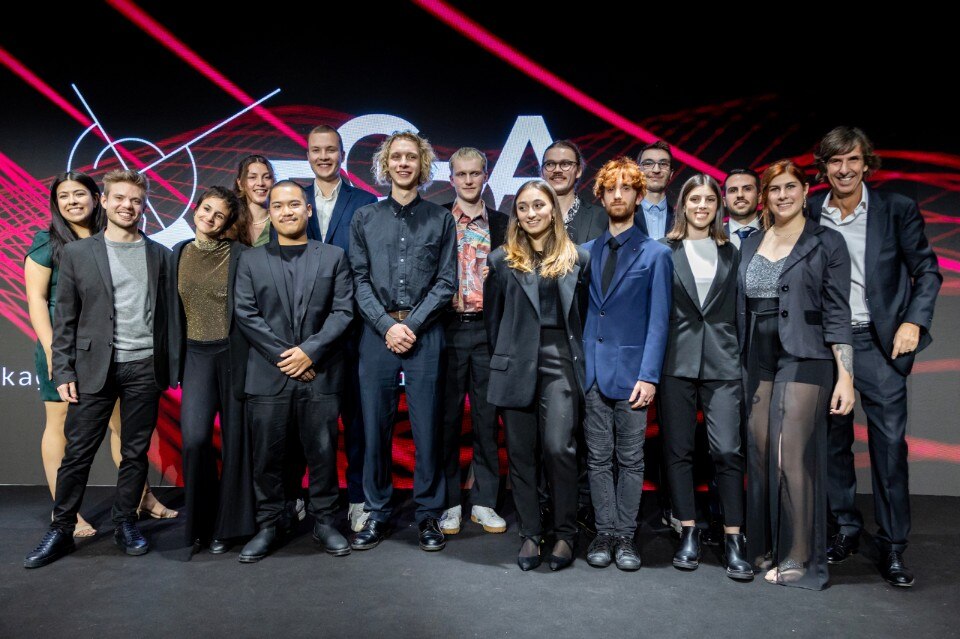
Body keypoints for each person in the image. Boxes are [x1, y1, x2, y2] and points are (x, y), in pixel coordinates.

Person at [810, 127, 942, 587]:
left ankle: (893, 545)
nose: (844, 169)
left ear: (867, 163)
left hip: (878, 344)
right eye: (835, 161)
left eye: (853, 159)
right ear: (824, 167)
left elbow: (927, 270)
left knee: (888, 449)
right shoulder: (810, 210)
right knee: (832, 445)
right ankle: (845, 527)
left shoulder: (896, 208)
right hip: (827, 345)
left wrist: (913, 322)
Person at [24, 169, 174, 568]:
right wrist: (64, 369)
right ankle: (61, 528)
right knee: (78, 453)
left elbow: (170, 318)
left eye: (136, 200)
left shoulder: (161, 254)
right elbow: (65, 319)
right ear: (104, 202)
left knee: (135, 452)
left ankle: (126, 522)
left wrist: (170, 366)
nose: (128, 205)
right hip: (94, 367)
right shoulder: (78, 253)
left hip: (144, 367)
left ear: (144, 206)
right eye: (119, 198)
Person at [738, 159, 855, 589]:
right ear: (764, 197)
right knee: (760, 453)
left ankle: (800, 554)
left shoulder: (827, 241)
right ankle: (765, 546)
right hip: (758, 356)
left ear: (806, 191)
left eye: (790, 187)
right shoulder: (751, 241)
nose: (782, 195)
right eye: (774, 189)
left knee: (789, 457)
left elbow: (838, 312)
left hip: (805, 355)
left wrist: (846, 376)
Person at [233, 180, 354, 562]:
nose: (287, 211)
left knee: (323, 455)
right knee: (267, 459)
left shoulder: (333, 256)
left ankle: (325, 522)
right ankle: (270, 524)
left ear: (308, 210)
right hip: (268, 376)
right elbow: (246, 314)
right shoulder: (250, 260)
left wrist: (309, 353)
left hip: (320, 373)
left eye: (294, 204)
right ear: (269, 213)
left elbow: (343, 311)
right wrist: (287, 357)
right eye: (279, 206)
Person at [349, 131, 456, 553]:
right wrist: (386, 325)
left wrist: (410, 325)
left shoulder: (441, 219)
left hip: (425, 333)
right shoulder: (365, 218)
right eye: (396, 157)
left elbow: (446, 281)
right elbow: (357, 280)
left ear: (422, 164)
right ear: (385, 164)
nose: (404, 163)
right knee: (374, 428)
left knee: (427, 429)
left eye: (411, 157)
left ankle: (428, 513)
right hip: (376, 334)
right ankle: (377, 511)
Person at [484, 179, 591, 571]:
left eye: (539, 205)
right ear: (517, 214)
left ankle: (565, 533)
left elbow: (583, 318)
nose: (531, 213)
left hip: (560, 361)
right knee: (520, 452)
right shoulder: (501, 260)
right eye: (523, 207)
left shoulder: (578, 259)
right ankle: (530, 532)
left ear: (553, 210)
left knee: (559, 447)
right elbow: (493, 320)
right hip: (515, 362)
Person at [658, 173, 752, 581]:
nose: (701, 206)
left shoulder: (734, 250)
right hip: (675, 361)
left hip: (723, 361)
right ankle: (688, 530)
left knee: (728, 450)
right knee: (678, 451)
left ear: (719, 206)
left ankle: (734, 537)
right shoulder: (664, 250)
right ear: (683, 204)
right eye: (694, 199)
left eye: (709, 200)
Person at [581, 158, 671, 572]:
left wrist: (649, 376)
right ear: (600, 197)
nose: (618, 195)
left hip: (635, 375)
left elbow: (659, 321)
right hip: (592, 374)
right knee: (598, 458)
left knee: (632, 460)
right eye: (610, 188)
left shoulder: (657, 254)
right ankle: (604, 532)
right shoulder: (585, 253)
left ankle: (625, 535)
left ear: (638, 195)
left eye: (626, 188)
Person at [169, 186, 255, 555]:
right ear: (196, 209)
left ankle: (229, 529)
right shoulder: (178, 252)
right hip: (196, 356)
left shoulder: (241, 255)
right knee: (195, 439)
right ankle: (200, 526)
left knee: (237, 445)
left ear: (227, 223)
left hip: (235, 356)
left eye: (219, 215)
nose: (210, 218)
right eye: (206, 209)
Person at [303, 124, 378, 532]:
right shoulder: (293, 200)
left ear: (342, 154)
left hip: (355, 328)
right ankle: (310, 499)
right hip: (306, 331)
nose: (324, 156)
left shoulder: (364, 201)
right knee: (312, 425)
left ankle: (359, 498)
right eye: (317, 150)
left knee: (358, 421)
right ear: (308, 155)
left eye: (330, 149)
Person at [437, 147, 509, 536]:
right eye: (461, 174)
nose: (468, 180)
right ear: (451, 178)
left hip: (487, 331)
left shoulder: (504, 224)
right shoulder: (437, 220)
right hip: (446, 330)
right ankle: (449, 502)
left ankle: (484, 501)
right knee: (446, 420)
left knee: (486, 419)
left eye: (475, 173)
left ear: (486, 175)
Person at [541, 140, 606, 244]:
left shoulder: (602, 218)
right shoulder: (527, 218)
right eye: (550, 164)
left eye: (565, 164)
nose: (557, 170)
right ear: (542, 172)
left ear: (578, 171)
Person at [228, 155, 276, 247]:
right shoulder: (230, 224)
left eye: (266, 177)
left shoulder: (280, 222)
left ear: (273, 182)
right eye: (252, 177)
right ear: (240, 184)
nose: (260, 183)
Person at [635, 140, 676, 240]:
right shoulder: (624, 215)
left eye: (663, 164)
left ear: (671, 174)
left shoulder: (681, 219)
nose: (656, 170)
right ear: (638, 171)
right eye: (648, 164)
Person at [723, 168, 762, 249]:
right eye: (733, 190)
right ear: (724, 201)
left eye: (747, 189)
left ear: (759, 197)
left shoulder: (776, 234)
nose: (740, 195)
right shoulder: (710, 237)